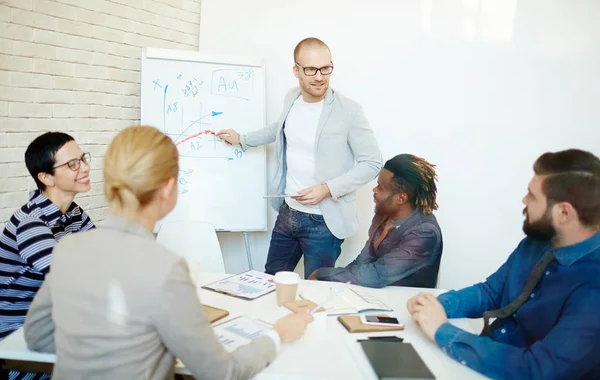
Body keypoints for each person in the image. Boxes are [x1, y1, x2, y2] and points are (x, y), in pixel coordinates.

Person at [24, 125, 313, 380]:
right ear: (169, 188)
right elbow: (222, 373)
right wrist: (278, 335)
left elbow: (36, 336)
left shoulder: (67, 249)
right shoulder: (166, 268)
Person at [407, 149, 600, 380]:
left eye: (532, 195)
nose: (524, 200)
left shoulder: (593, 287)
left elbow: (537, 370)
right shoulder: (538, 242)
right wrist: (435, 306)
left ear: (564, 212)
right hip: (486, 359)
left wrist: (442, 331)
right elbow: (491, 292)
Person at [217, 37, 382, 278]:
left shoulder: (349, 111)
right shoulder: (291, 98)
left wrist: (327, 188)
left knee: (315, 291)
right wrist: (242, 138)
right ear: (296, 70)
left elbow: (372, 162)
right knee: (270, 281)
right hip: (288, 214)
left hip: (324, 222)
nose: (319, 76)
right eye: (311, 69)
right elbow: (280, 127)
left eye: (326, 68)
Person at [0, 132, 94, 341]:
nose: (85, 167)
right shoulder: (31, 223)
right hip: (19, 337)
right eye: (72, 164)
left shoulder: (75, 214)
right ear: (46, 177)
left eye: (83, 159)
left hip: (58, 321)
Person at [308, 154, 443, 288]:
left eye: (380, 188)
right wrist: (338, 282)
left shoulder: (424, 232)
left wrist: (324, 274)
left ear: (401, 198)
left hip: (408, 304)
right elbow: (363, 263)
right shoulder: (384, 215)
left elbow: (377, 274)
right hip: (377, 296)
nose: (374, 190)